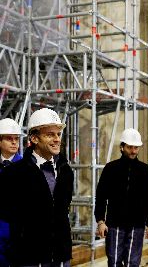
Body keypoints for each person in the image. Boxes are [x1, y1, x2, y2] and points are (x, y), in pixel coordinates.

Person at [0, 108, 74, 267]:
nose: (56, 139)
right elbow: (6, 213)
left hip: (61, 256)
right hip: (29, 258)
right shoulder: (14, 173)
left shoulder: (66, 171)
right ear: (34, 138)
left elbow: (64, 208)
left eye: (58, 134)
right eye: (50, 135)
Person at [95, 128, 148, 267]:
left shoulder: (145, 171)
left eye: (136, 148)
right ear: (122, 147)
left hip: (137, 226)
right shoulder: (111, 169)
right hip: (115, 225)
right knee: (114, 261)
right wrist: (100, 220)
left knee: (133, 263)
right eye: (130, 147)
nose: (133, 151)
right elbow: (101, 196)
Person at [0, 118, 23, 267]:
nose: (14, 142)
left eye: (16, 139)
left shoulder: (27, 167)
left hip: (19, 227)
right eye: (9, 139)